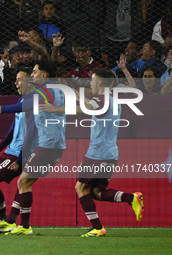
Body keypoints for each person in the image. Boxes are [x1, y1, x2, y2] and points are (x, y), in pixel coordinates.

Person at [39, 68, 144, 237]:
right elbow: (92, 104)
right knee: (96, 192)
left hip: (98, 153)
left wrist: (55, 109)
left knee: (80, 187)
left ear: (100, 83)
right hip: (109, 153)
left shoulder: (103, 100)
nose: (91, 83)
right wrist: (75, 93)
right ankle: (131, 198)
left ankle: (97, 228)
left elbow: (89, 108)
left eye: (93, 80)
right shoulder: (111, 100)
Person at [0, 60, 66, 235]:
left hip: (47, 145)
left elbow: (26, 116)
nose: (33, 75)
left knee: (22, 182)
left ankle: (22, 226)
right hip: (54, 144)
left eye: (35, 72)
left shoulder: (44, 91)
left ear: (44, 76)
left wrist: (3, 109)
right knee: (24, 182)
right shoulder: (57, 89)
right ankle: (14, 223)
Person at [0, 70, 31, 234]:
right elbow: (14, 128)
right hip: (11, 150)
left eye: (20, 80)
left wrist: (2, 108)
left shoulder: (34, 101)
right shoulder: (21, 100)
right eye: (16, 80)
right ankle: (4, 220)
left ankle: (5, 221)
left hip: (20, 152)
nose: (16, 83)